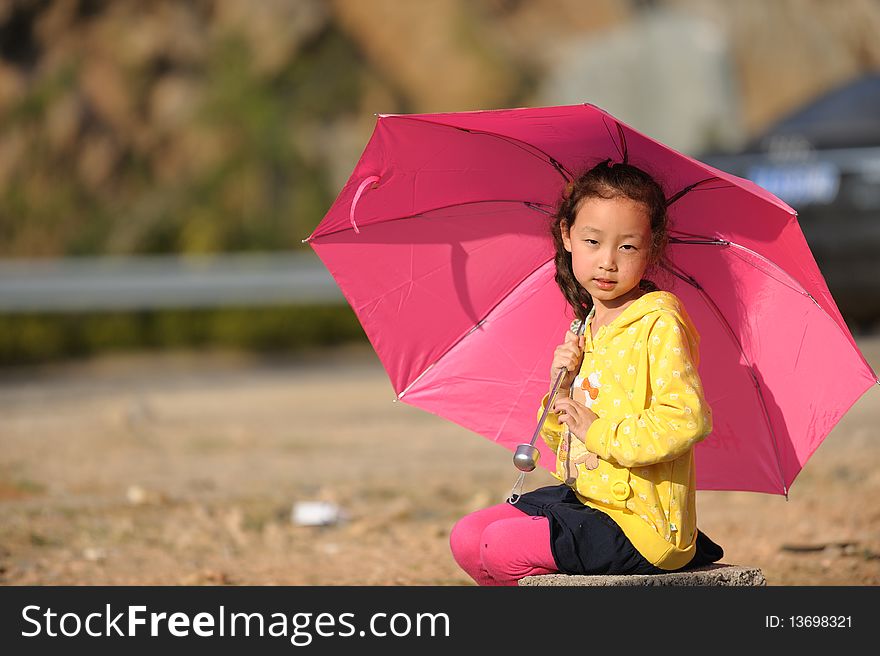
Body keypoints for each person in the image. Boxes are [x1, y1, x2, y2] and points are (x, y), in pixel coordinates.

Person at [448, 159, 723, 586]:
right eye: (593, 241)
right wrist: (559, 390)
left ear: (653, 247)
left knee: (501, 546)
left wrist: (599, 432)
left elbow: (685, 419)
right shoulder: (584, 325)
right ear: (567, 236)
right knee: (468, 537)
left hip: (640, 521)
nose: (608, 262)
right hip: (585, 497)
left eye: (628, 247)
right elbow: (564, 441)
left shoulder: (658, 322)